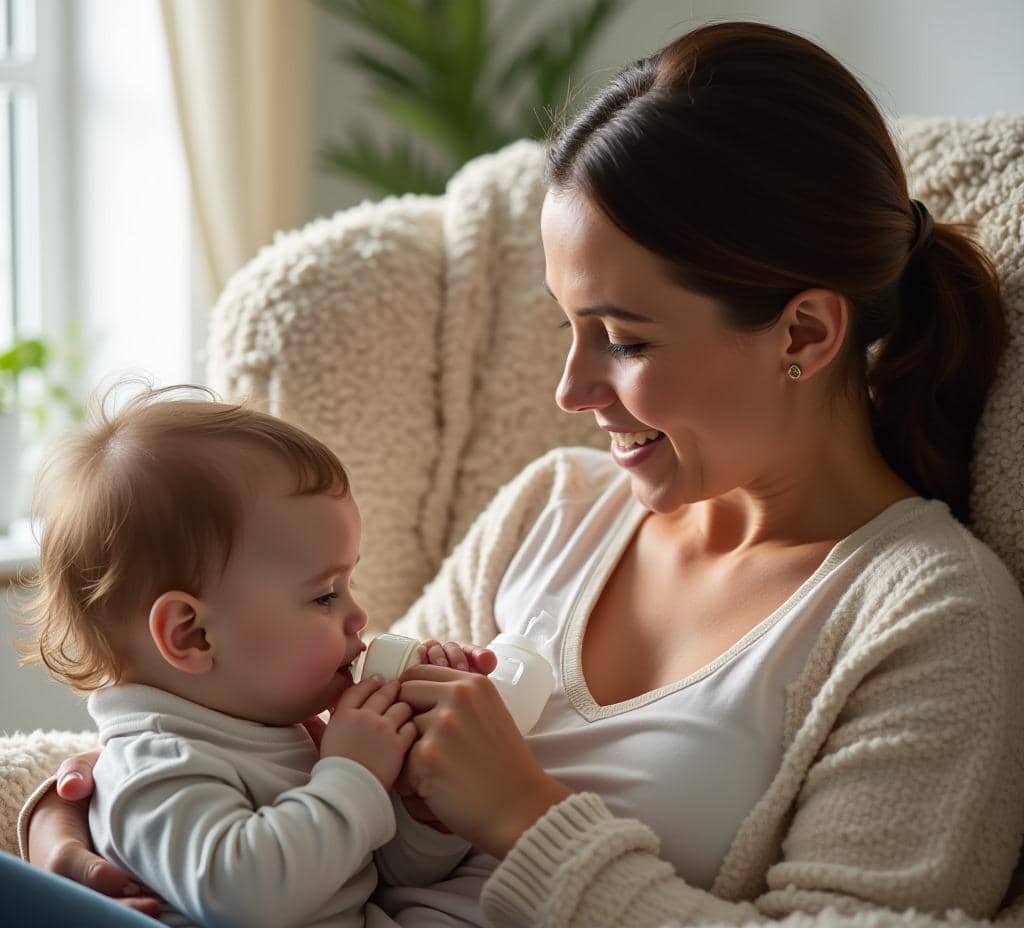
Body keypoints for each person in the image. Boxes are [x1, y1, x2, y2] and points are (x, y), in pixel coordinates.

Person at [20, 20, 1024, 928]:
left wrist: (525, 815)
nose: (569, 388)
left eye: (622, 341)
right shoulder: (552, 507)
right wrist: (77, 818)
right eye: (567, 326)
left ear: (802, 331)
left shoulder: (926, 619)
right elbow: (282, 732)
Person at [15, 383, 493, 927]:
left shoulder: (273, 733)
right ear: (192, 635)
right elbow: (244, 897)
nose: (359, 616)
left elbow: (375, 872)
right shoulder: (158, 765)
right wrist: (354, 775)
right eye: (324, 595)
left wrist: (422, 812)